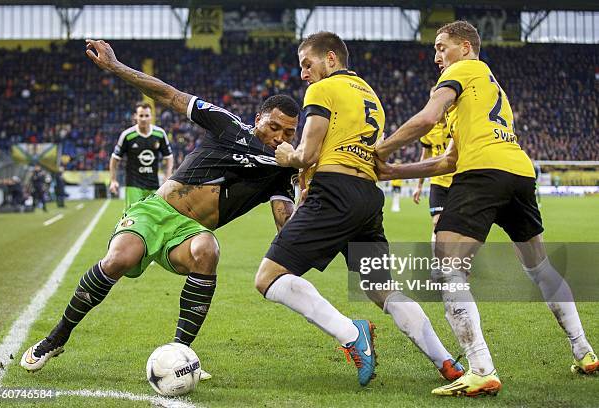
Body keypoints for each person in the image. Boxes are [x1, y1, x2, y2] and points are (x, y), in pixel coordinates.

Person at [21, 39, 301, 383]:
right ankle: (58, 336)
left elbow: (284, 223)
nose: (279, 137)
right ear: (258, 119)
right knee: (118, 259)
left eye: (289, 132)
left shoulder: (283, 168)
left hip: (188, 233)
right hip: (156, 210)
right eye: (274, 127)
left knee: (207, 249)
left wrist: (302, 183)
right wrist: (116, 67)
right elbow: (169, 95)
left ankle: (179, 353)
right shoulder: (228, 125)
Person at [375, 20, 598, 396]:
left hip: (484, 175)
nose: (436, 56)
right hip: (518, 173)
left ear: (465, 47)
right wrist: (395, 170)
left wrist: (379, 151)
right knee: (539, 266)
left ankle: (480, 367)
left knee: (446, 266)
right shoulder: (489, 87)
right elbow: (449, 160)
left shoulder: (462, 71)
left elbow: (427, 118)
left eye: (441, 47)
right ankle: (584, 351)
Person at [254, 31, 464, 387]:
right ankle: (445, 361)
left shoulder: (321, 90)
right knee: (380, 289)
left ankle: (353, 333)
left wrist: (289, 157)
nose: (304, 74)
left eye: (308, 64)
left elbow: (306, 153)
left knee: (267, 277)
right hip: (367, 196)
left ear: (331, 58)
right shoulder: (370, 95)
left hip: (335, 194)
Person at [109, 102, 174, 210]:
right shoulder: (127, 135)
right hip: (133, 185)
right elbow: (114, 158)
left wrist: (168, 176)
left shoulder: (160, 134)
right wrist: (113, 180)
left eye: (146, 115)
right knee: (134, 217)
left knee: (153, 217)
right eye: (141, 115)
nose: (143, 119)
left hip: (154, 185)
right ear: (135, 116)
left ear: (151, 117)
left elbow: (169, 157)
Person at [413, 117, 453, 243]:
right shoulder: (429, 129)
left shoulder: (456, 121)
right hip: (438, 181)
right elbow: (424, 157)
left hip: (457, 181)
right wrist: (419, 186)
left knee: (455, 227)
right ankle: (437, 260)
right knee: (436, 222)